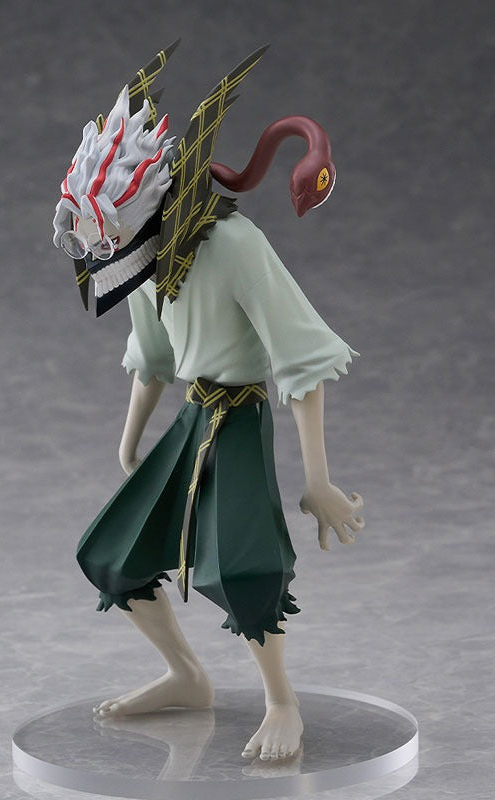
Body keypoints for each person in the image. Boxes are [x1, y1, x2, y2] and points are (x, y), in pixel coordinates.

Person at [53, 43, 364, 762]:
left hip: (240, 416)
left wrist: (317, 479)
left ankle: (281, 700)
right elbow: (153, 357)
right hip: (192, 416)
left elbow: (301, 358)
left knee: (242, 568)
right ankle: (187, 677)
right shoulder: (138, 256)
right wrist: (130, 439)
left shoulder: (234, 244)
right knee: (112, 554)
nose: (98, 242)